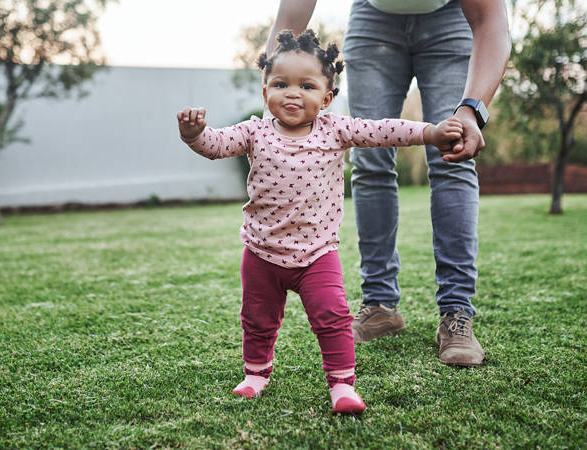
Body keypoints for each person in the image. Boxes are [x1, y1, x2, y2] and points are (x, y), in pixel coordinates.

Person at [177, 29, 466, 414]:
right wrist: (194, 135)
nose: (292, 93)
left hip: (317, 256)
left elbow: (383, 130)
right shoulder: (254, 131)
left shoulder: (336, 130)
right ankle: (256, 373)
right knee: (257, 319)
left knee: (333, 318)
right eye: (280, 84)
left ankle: (342, 385)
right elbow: (216, 145)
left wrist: (429, 132)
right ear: (265, 93)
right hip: (261, 253)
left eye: (307, 85)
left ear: (327, 99)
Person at [267, 0, 510, 366]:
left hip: (451, 19)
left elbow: (492, 21)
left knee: (453, 154)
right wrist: (272, 93)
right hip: (373, 20)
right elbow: (289, 19)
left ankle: (457, 313)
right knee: (370, 160)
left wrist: (472, 109)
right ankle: (380, 305)